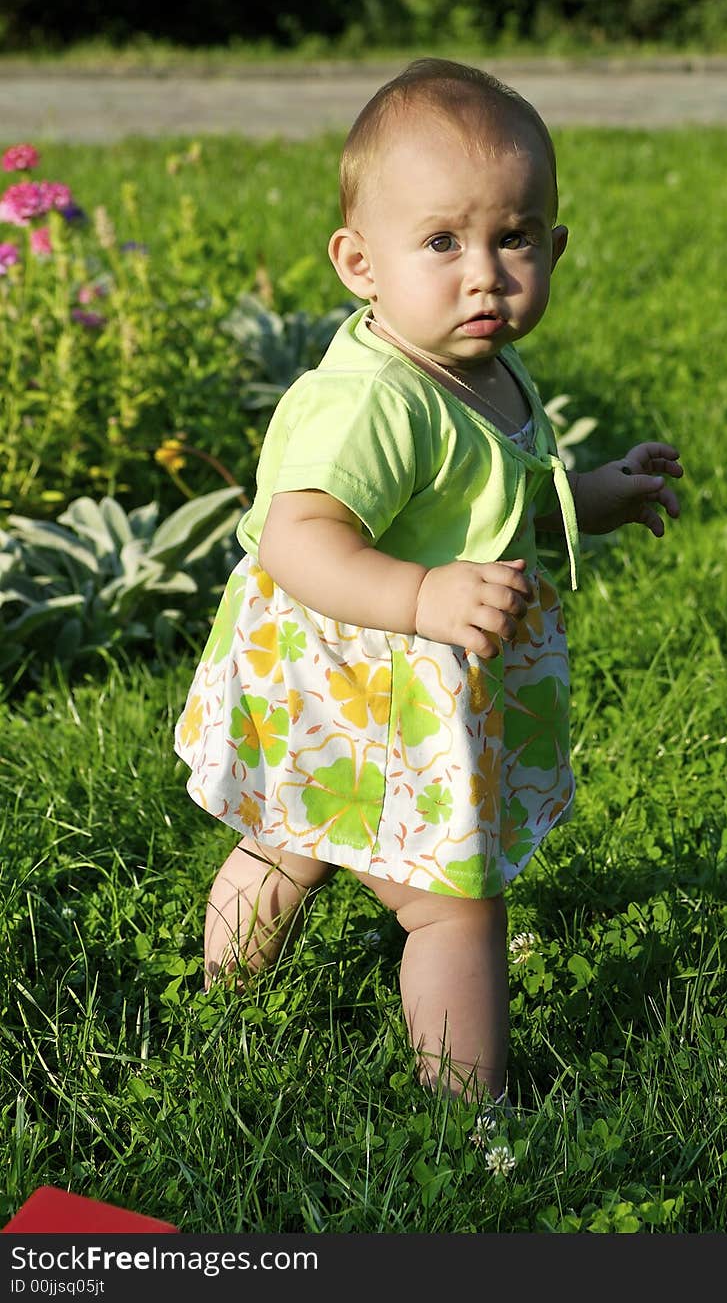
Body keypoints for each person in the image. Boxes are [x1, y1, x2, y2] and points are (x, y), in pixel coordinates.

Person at [174, 57, 683, 1103]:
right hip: (359, 672)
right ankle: (471, 1117)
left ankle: (219, 993)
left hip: (394, 679)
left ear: (555, 247)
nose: (484, 272)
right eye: (442, 241)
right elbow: (295, 537)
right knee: (452, 903)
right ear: (359, 262)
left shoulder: (483, 370)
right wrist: (419, 597)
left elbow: (494, 500)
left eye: (514, 238)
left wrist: (596, 491)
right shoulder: (375, 400)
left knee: (290, 839)